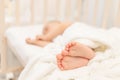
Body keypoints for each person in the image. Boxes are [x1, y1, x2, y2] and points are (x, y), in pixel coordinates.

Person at [26, 21, 96, 70]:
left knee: (78, 43)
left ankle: (88, 52)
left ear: (58, 24)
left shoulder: (67, 28)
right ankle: (82, 59)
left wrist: (47, 36)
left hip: (81, 36)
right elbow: (49, 45)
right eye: (44, 32)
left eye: (46, 29)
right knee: (62, 48)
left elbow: (64, 25)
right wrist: (34, 42)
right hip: (78, 45)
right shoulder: (59, 39)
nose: (45, 32)